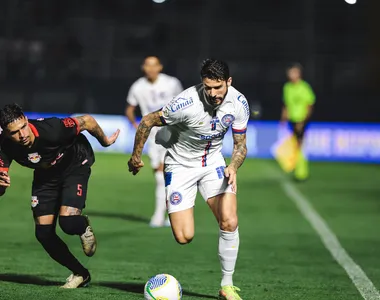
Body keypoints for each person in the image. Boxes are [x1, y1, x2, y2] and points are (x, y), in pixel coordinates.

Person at [128, 59, 249, 300]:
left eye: (218, 87)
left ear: (229, 82)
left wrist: (233, 166)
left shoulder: (239, 103)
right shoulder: (185, 102)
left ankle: (227, 285)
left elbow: (240, 146)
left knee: (229, 221)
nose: (213, 94)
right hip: (180, 165)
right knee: (184, 237)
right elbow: (147, 120)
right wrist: (135, 156)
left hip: (213, 163)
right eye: (208, 88)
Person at [0, 103, 120, 288]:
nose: (22, 135)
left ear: (25, 119)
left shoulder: (53, 129)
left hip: (75, 164)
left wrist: (104, 141)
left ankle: (82, 226)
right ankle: (81, 274)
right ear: (6, 133)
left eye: (23, 127)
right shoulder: (4, 146)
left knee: (68, 223)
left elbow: (87, 120)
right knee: (43, 233)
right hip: (46, 175)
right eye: (15, 132)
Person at [125, 55, 183, 228]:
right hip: (151, 135)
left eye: (154, 65)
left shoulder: (172, 83)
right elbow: (130, 108)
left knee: (164, 173)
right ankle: (167, 214)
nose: (151, 69)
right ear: (143, 67)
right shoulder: (137, 86)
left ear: (160, 67)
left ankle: (161, 215)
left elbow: (185, 103)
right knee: (160, 175)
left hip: (171, 131)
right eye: (147, 65)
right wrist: (137, 125)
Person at [281, 63, 316, 181]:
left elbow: (310, 104)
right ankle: (297, 169)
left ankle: (301, 173)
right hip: (292, 120)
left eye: (293, 72)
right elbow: (286, 104)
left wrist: (303, 120)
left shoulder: (304, 87)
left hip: (301, 120)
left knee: (300, 145)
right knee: (295, 145)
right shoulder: (287, 87)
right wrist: (283, 118)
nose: (291, 75)